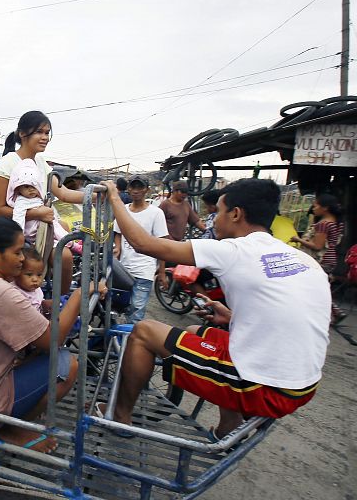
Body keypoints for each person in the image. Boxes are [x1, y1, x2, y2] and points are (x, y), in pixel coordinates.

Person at [100, 178, 330, 440]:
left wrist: (115, 197)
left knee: (143, 331)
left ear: (236, 214)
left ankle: (120, 417)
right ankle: (228, 427)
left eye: (218, 211)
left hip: (264, 386)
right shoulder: (297, 257)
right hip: (302, 384)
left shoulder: (234, 249)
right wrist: (232, 317)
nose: (213, 218)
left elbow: (143, 243)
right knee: (196, 330)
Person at [0, 216, 82, 453]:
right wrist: (80, 295)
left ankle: (8, 422)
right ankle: (8, 427)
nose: (23, 259)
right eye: (17, 252)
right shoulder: (0, 291)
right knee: (66, 364)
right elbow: (52, 341)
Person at [0, 111, 86, 294]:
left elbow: (62, 192)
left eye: (47, 133)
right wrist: (36, 214)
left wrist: (95, 196)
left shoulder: (41, 163)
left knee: (66, 239)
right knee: (65, 256)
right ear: (22, 133)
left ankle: (59, 303)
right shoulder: (7, 163)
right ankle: (60, 305)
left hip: (41, 229)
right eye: (39, 132)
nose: (44, 137)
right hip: (17, 232)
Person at [112, 175, 169, 325]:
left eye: (140, 187)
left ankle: (132, 344)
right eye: (133, 187)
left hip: (144, 270)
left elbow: (162, 243)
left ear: (147, 190)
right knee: (116, 309)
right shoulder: (123, 210)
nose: (136, 191)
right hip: (123, 270)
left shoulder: (156, 213)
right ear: (128, 189)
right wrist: (118, 247)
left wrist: (162, 271)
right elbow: (117, 232)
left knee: (136, 311)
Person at [291, 193, 346, 324]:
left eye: (315, 206)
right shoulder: (337, 224)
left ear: (325, 208)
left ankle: (329, 312)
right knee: (320, 286)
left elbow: (317, 246)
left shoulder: (323, 224)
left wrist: (297, 239)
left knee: (310, 286)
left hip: (320, 260)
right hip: (331, 259)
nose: (313, 208)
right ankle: (335, 311)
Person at [11, 246, 46, 312]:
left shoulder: (36, 289)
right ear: (17, 273)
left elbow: (38, 302)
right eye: (29, 274)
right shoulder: (14, 292)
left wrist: (44, 304)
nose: (35, 279)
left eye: (39, 275)